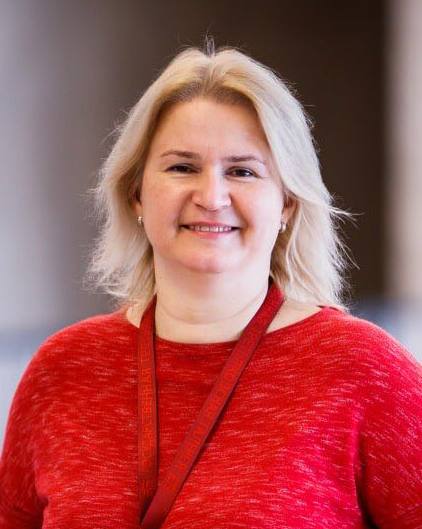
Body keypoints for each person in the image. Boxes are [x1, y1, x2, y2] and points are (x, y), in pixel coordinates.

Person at [0, 40, 421, 529]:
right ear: (136, 194)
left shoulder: (363, 370)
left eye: (242, 171)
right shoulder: (62, 370)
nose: (212, 196)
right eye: (182, 167)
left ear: (286, 204)